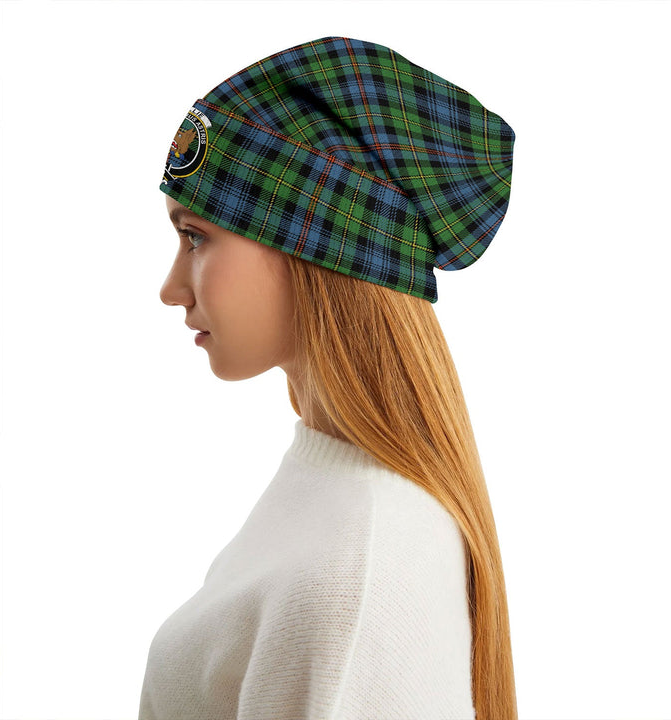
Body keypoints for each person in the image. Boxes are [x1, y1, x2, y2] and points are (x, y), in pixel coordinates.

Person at [139, 36, 517, 720]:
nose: (171, 288)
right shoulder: (327, 483)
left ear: (309, 248)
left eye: (196, 237)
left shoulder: (360, 575)